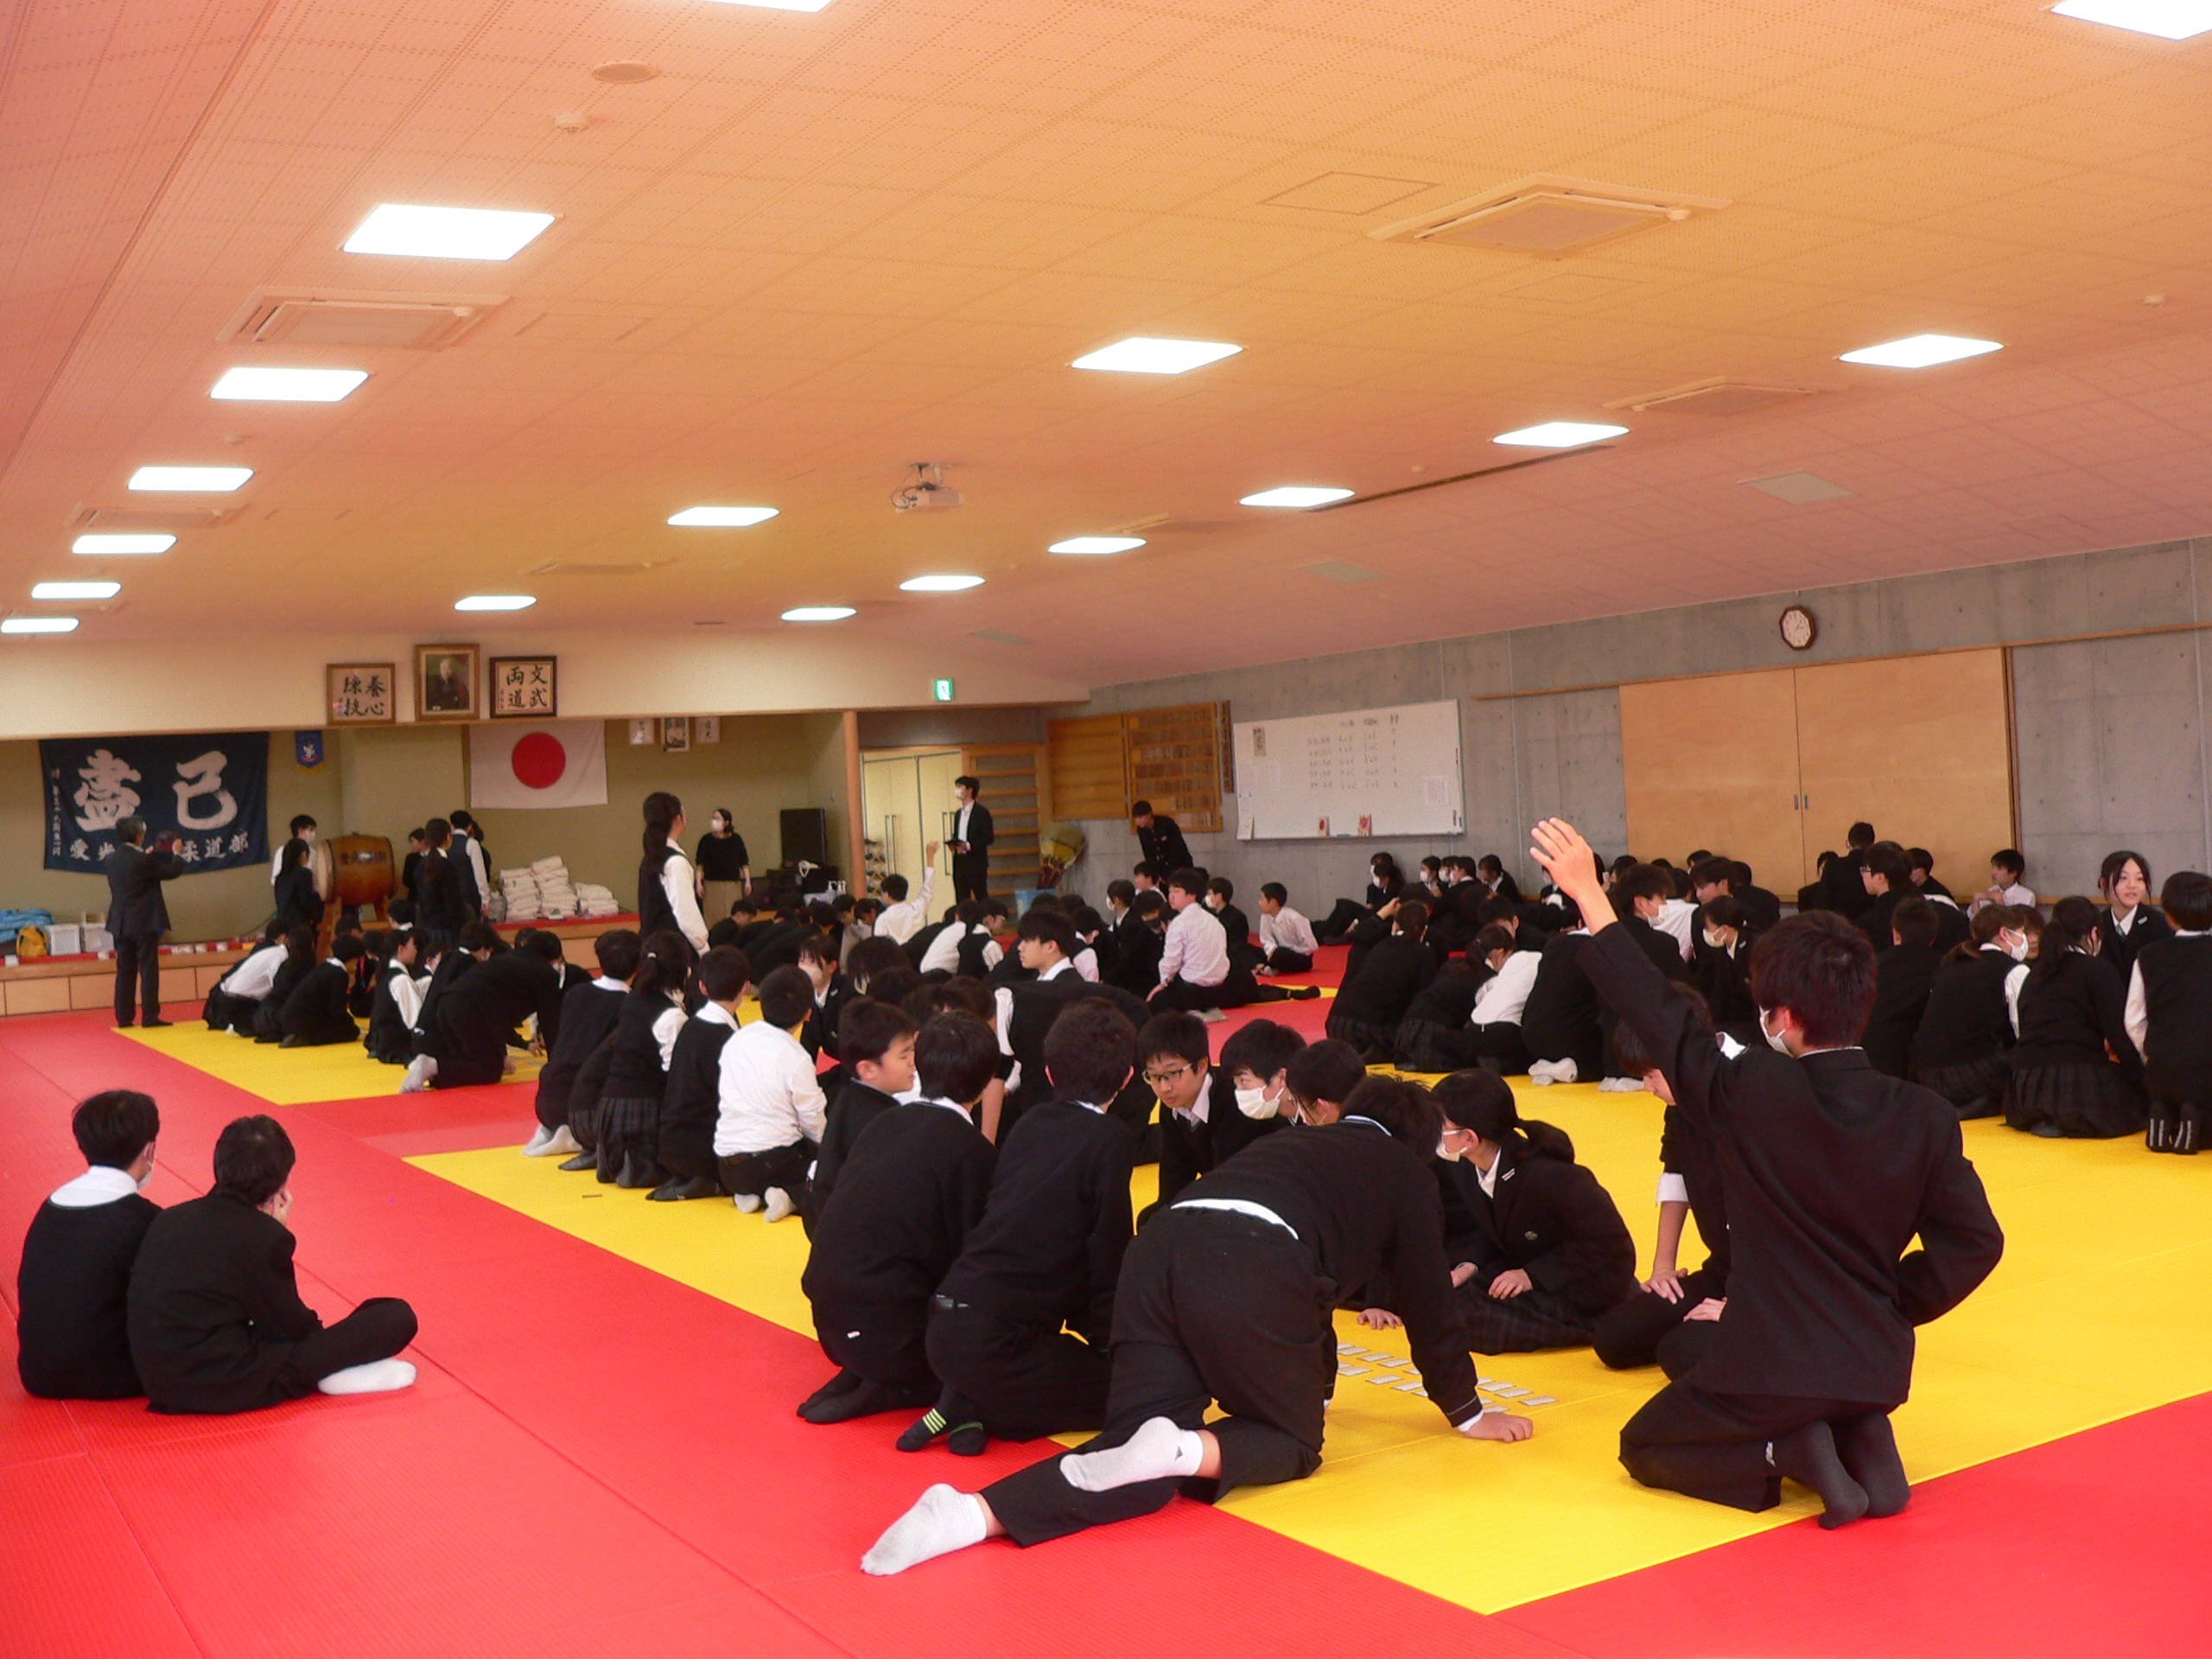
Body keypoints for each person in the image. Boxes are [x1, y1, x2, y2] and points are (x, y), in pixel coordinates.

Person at [859, 1075, 1531, 1577]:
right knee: (1293, 1442)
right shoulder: (1405, 1173)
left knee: (1128, 1461)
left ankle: (969, 1515)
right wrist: (1467, 1411)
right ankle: (1180, 1449)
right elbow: (1428, 1303)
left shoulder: (1292, 1144)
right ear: (1417, 1142)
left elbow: (1318, 1297)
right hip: (1252, 1260)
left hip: (1158, 1252)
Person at [1532, 817, 2003, 1528]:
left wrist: (1592, 898)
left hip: (1771, 1364)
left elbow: (1660, 1015)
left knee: (1645, 1444)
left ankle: (1788, 1452)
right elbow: (1977, 1244)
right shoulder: (1925, 1114)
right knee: (1796, 1388)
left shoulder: (1754, 1089)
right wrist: (1887, 1302)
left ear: (1781, 1016)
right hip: (1875, 1363)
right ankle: (1858, 1432)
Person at [901, 1000, 1141, 1457]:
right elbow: (1107, 1251)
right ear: (1128, 1077)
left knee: (1044, 1363)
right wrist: (1114, 1346)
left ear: (1048, 1073)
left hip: (946, 1317)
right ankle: (973, 1401)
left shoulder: (1030, 1123)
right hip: (994, 1341)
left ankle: (963, 1397)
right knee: (1126, 1392)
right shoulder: (1109, 1140)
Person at [128, 1116, 418, 1414]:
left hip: (157, 1380)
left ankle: (324, 1368)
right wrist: (272, 1230)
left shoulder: (169, 1218)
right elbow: (293, 1328)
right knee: (396, 1316)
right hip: (217, 1385)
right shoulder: (263, 1237)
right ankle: (327, 1373)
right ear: (281, 1183)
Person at [798, 1015, 999, 1426]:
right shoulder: (970, 1151)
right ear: (985, 1083)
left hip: (829, 1318)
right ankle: (890, 1382)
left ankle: (865, 1373)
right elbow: (969, 1263)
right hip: (887, 1334)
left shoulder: (884, 1122)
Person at [1383, 1070, 1634, 1354]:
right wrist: (1469, 1265)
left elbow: (1611, 1244)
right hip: (1524, 1262)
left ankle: (1596, 1323)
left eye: (1438, 1124)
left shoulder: (1551, 1175)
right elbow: (1491, 1226)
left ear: (1470, 1138)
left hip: (1581, 1281)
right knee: (1436, 1297)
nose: (1432, 1132)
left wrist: (1531, 1275)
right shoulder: (1467, 1167)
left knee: (1474, 1324)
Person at [1592, 992, 1733, 1378]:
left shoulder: (1749, 1094)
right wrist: (1663, 1267)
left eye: (1651, 1075)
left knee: (1681, 1352)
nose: (1646, 1087)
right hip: (1726, 1268)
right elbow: (1676, 1173)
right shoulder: (1681, 1104)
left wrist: (1747, 1306)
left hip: (1777, 1283)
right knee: (1615, 1338)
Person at [16, 1090, 163, 1400]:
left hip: (37, 1373)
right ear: (149, 1150)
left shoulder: (51, 1206)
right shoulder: (145, 1219)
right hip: (114, 1377)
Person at [2003, 896, 2145, 1139]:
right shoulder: (2097, 970)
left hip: (2025, 1088)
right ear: (2094, 933)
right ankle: (2063, 1118)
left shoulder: (2034, 974)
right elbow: (2119, 1035)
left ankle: (2048, 1117)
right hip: (2077, 1082)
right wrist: (2142, 1077)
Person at [715, 964, 828, 1222]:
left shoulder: (737, 1040)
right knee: (828, 1172)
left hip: (727, 1166)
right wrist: (827, 1149)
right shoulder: (796, 1057)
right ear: (808, 1013)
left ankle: (750, 1192)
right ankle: (788, 1196)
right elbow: (813, 1121)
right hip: (773, 1164)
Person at [524, 930, 639, 1159]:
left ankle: (558, 1129)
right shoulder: (630, 1006)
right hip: (584, 1107)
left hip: (547, 1100)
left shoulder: (577, 993)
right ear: (639, 966)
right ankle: (574, 1133)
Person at [404, 929, 566, 1091]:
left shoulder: (506, 960)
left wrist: (500, 1055)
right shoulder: (544, 972)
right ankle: (433, 1065)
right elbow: (551, 1023)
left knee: (471, 1062)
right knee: (488, 1071)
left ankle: (433, 1073)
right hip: (470, 1008)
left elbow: (496, 1008)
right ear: (552, 958)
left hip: (446, 1003)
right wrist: (558, 1067)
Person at [804, 998, 920, 1223]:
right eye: (904, 1056)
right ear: (868, 1069)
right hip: (848, 1228)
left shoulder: (851, 1098)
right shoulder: (879, 1122)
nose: (913, 1062)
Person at [1910, 905, 2031, 1119]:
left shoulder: (1951, 964)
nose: (2026, 940)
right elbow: (2026, 1031)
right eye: (2022, 933)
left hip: (1925, 1073)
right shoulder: (2013, 970)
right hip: (1969, 1073)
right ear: (2005, 933)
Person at [595, 931, 695, 1188]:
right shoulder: (671, 1016)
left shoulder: (631, 1000)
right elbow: (675, 1082)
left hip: (610, 1112)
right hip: (642, 1116)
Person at [2129, 869, 2212, 1154]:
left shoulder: (2147, 955)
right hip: (2205, 1067)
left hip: (2161, 1067)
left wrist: (2151, 1053)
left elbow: (2133, 1019)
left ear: (2169, 916)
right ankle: (2195, 1121)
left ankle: (2163, 1112)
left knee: (2166, 1087)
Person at [1325, 897, 1437, 1062]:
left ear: (1395, 925)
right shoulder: (1424, 954)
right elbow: (1423, 1000)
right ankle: (1379, 1049)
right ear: (1424, 930)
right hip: (1370, 1030)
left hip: (1337, 1024)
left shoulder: (1380, 946)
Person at [103, 817, 183, 1029]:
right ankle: (150, 1016)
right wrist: (177, 854)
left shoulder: (110, 859)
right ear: (139, 836)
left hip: (121, 921)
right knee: (148, 969)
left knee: (125, 971)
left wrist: (145, 856)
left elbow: (133, 872)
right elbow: (171, 871)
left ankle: (124, 1017)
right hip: (145, 921)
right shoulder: (143, 861)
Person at [1862, 896, 1941, 1079]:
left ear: (1895, 934)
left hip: (1869, 1060)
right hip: (1920, 1069)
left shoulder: (1871, 966)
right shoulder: (1943, 967)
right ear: (1933, 938)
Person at [1149, 868, 1245, 1013]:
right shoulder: (1214, 921)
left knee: (1155, 1002)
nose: (1171, 897)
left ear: (1192, 894)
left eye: (1176, 891)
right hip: (1220, 990)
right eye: (1170, 891)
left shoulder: (1179, 923)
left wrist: (1163, 984)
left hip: (1193, 991)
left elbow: (1171, 962)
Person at [639, 791, 709, 953]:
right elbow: (686, 914)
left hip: (655, 945)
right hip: (674, 950)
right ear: (678, 818)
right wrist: (703, 948)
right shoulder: (674, 861)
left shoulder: (651, 857)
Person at [277, 932, 365, 1046]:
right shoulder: (339, 974)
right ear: (352, 958)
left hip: (290, 1018)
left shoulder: (324, 967)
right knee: (350, 1032)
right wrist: (350, 1024)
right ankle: (305, 1037)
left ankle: (300, 1035)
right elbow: (337, 1011)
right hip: (305, 1020)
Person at [2094, 850, 2169, 982]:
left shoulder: (2160, 925)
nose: (2132, 885)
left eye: (2139, 879)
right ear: (2103, 884)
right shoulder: (2096, 925)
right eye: (2123, 878)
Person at [203, 926, 289, 1034]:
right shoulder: (281, 956)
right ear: (284, 938)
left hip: (224, 997)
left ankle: (238, 1024)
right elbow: (277, 985)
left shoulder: (267, 950)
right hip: (238, 1003)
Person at [874, 846, 941, 944]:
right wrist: (930, 857)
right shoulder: (916, 910)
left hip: (896, 953)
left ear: (887, 895)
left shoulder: (883, 919)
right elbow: (928, 889)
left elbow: (880, 946)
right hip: (919, 952)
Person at [696, 808, 752, 925]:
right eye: (713, 818)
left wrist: (747, 881)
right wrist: (699, 883)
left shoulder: (736, 839)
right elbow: (700, 864)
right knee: (713, 915)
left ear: (726, 822)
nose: (714, 821)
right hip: (712, 884)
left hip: (732, 884)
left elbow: (744, 862)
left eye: (717, 819)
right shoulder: (706, 840)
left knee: (732, 914)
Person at [410, 818, 465, 935]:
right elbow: (453, 903)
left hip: (428, 928)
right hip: (447, 929)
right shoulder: (448, 866)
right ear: (448, 837)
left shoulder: (420, 865)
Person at [950, 776, 995, 905]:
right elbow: (958, 834)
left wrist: (969, 845)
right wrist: (954, 844)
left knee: (981, 896)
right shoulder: (958, 814)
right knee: (962, 898)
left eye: (960, 787)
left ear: (970, 790)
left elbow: (989, 837)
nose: (957, 790)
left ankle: (987, 916)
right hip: (960, 861)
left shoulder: (982, 812)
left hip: (976, 862)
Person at [1255, 883, 1318, 974]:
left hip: (1299, 957)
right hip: (1275, 953)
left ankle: (1268, 966)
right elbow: (1266, 939)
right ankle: (1269, 966)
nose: (1259, 903)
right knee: (1243, 948)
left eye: (1262, 899)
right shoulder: (1265, 916)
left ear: (1272, 902)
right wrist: (1271, 951)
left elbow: (1312, 946)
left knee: (1280, 954)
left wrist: (1289, 950)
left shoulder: (1294, 918)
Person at [271, 836, 323, 938]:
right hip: (300, 926)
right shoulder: (304, 874)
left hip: (283, 925)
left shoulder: (279, 878)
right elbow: (306, 902)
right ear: (303, 854)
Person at [446, 809, 489, 919]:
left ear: (451, 826)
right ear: (469, 827)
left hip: (448, 895)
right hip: (469, 896)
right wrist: (485, 899)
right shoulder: (472, 844)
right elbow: (480, 874)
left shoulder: (445, 843)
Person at [1130, 801, 1192, 874]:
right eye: (1136, 818)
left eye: (1140, 817)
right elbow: (1147, 852)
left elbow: (1177, 847)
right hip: (1162, 866)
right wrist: (1154, 871)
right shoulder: (1141, 830)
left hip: (1180, 863)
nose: (1138, 821)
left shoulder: (1167, 823)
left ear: (1149, 815)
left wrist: (1173, 870)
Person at [1972, 849, 2035, 914]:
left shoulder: (2026, 896)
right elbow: (1975, 919)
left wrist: (1999, 902)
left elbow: (2019, 920)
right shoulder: (1990, 891)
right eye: (1993, 867)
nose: (1993, 873)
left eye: (1999, 869)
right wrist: (1976, 900)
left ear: (2013, 873)